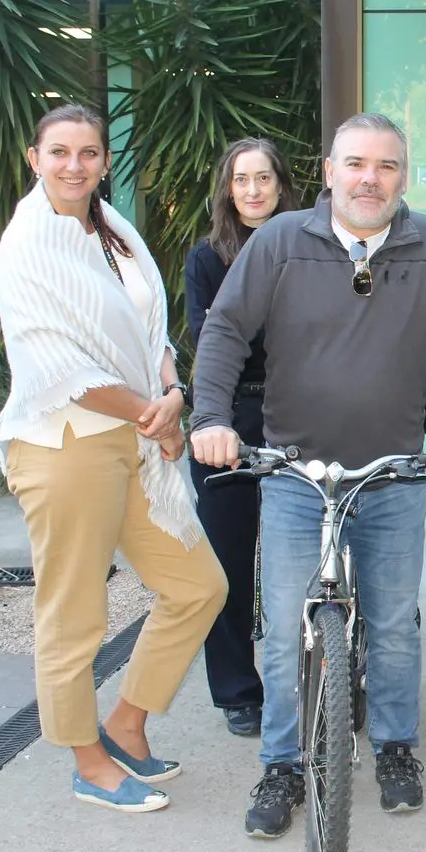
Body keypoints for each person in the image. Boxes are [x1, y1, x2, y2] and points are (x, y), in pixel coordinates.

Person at [190, 113, 426, 838]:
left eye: (385, 166)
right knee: (285, 631)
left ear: (403, 176)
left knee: (393, 625)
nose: (369, 179)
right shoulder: (281, 241)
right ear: (329, 172)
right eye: (355, 163)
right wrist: (211, 418)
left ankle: (395, 747)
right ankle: (282, 764)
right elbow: (224, 329)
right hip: (295, 472)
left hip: (391, 474)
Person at [0, 104, 227, 812]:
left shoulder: (113, 230)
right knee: (74, 614)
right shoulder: (29, 241)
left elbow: (151, 328)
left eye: (88, 153)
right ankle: (87, 762)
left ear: (103, 161)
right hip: (65, 445)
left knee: (198, 586)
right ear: (35, 159)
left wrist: (172, 391)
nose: (74, 165)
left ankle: (126, 725)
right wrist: (153, 413)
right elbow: (55, 364)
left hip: (133, 439)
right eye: (59, 152)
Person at [186, 137, 298, 738]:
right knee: (227, 561)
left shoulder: (313, 249)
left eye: (263, 178)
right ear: (227, 190)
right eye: (240, 179)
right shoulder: (207, 259)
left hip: (299, 413)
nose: (252, 190)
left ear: (282, 185)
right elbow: (212, 342)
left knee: (306, 556)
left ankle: (318, 674)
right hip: (228, 415)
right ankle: (236, 690)